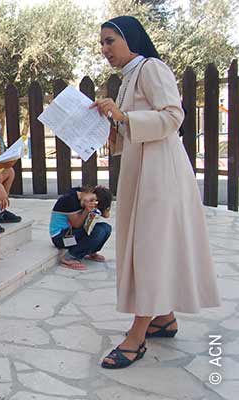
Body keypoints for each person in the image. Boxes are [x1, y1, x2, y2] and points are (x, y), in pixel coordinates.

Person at [91, 16, 221, 369]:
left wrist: (125, 117)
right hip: (142, 171)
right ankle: (163, 317)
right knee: (148, 245)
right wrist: (113, 123)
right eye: (101, 43)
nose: (104, 50)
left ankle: (137, 336)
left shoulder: (151, 67)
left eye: (109, 41)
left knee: (148, 247)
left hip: (160, 173)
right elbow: (132, 124)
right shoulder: (129, 77)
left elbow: (173, 116)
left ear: (130, 38)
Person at [49, 185, 112, 271]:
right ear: (90, 191)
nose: (91, 202)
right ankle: (70, 257)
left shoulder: (83, 194)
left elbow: (106, 215)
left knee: (106, 228)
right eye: (92, 199)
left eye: (95, 202)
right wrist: (86, 210)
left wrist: (106, 197)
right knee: (99, 231)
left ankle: (90, 251)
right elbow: (77, 225)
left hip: (74, 233)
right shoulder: (69, 200)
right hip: (60, 238)